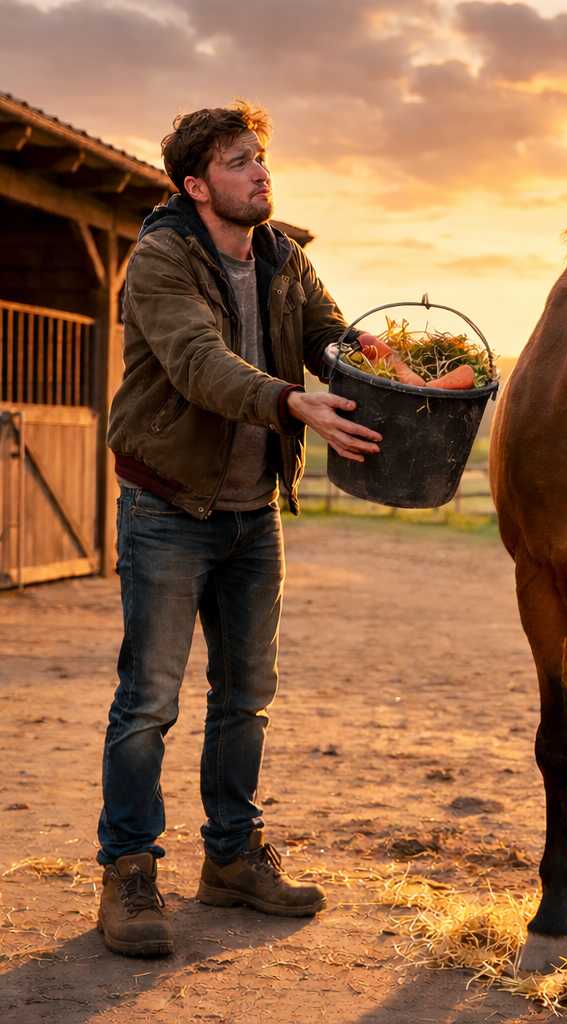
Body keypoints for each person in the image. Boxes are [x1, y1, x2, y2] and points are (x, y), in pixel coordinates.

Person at [97, 101, 380, 957]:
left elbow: (329, 337)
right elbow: (197, 364)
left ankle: (230, 860)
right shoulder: (159, 259)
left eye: (260, 157)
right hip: (168, 509)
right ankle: (130, 873)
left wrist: (386, 360)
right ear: (195, 185)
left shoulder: (283, 255)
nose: (260, 172)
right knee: (149, 702)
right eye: (236, 161)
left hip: (254, 512)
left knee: (247, 697)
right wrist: (290, 400)